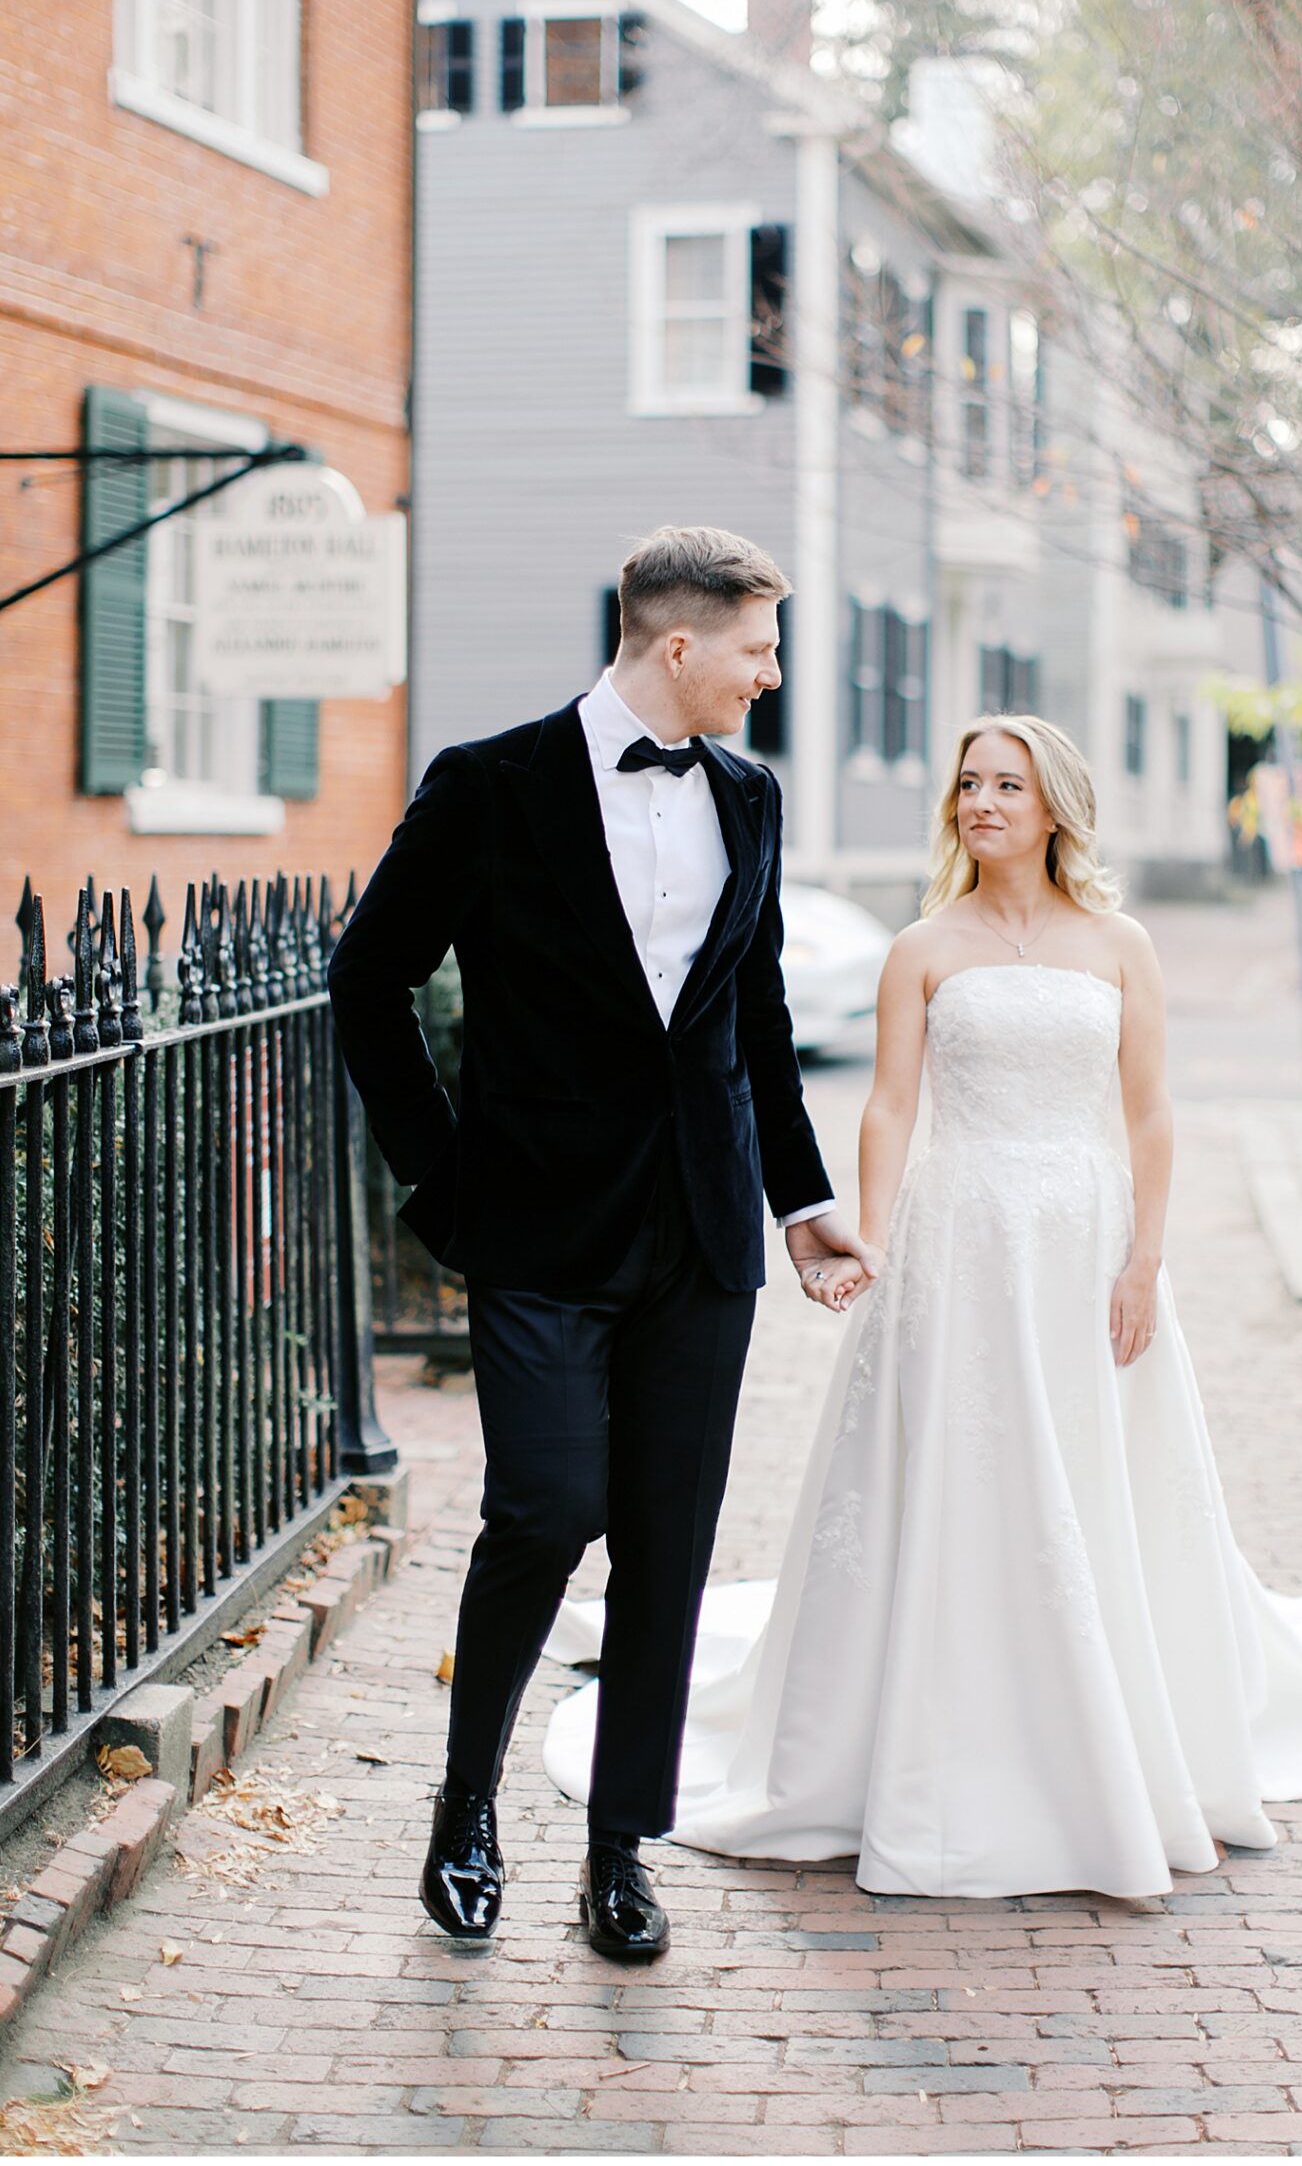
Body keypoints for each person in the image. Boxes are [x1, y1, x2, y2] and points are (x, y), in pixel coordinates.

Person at [541, 714, 1302, 1898]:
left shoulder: (1120, 942)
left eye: (1008, 783)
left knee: (1090, 1479)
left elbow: (1150, 1111)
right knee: (961, 1475)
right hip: (958, 1240)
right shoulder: (922, 947)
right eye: (968, 784)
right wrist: (878, 1240)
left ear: (1054, 804)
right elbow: (891, 1106)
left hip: (1084, 1240)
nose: (983, 802)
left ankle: (1105, 1723)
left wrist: (1145, 1259)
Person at [326, 525, 875, 1958]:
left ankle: (620, 1849)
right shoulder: (490, 785)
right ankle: (464, 1803)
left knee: (670, 1549)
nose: (769, 676)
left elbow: (754, 1026)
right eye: (757, 649)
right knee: (544, 1512)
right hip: (536, 1230)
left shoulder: (747, 798)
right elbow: (367, 982)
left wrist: (804, 1210)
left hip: (701, 1235)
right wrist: (442, 1186)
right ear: (678, 645)